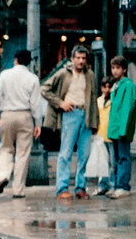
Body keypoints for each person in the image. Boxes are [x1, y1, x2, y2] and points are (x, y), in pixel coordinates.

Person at [42, 45, 99, 199]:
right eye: (78, 58)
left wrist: (95, 122)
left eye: (83, 58)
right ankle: (62, 188)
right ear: (73, 59)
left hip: (86, 115)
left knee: (85, 154)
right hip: (70, 114)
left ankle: (80, 187)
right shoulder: (63, 74)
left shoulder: (90, 75)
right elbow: (44, 89)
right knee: (65, 153)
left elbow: (93, 99)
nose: (81, 61)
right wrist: (60, 103)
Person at [0, 49, 43, 198]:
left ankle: (3, 175)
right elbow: (36, 104)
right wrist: (38, 123)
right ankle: (18, 190)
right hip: (25, 116)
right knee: (23, 153)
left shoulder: (5, 75)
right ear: (29, 62)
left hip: (6, 115)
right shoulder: (33, 79)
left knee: (6, 148)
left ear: (15, 60)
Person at [106, 56, 136, 198]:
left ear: (124, 69)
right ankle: (117, 185)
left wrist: (123, 129)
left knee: (123, 157)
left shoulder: (129, 86)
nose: (115, 71)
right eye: (113, 68)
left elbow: (128, 108)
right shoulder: (116, 85)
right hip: (115, 128)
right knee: (117, 158)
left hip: (121, 128)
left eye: (118, 68)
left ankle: (123, 186)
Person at [88, 78, 113, 196]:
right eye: (105, 87)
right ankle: (103, 185)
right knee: (103, 162)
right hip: (100, 136)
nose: (107, 89)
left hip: (112, 136)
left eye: (109, 86)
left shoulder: (113, 101)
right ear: (101, 88)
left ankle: (112, 185)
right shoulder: (98, 101)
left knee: (113, 162)